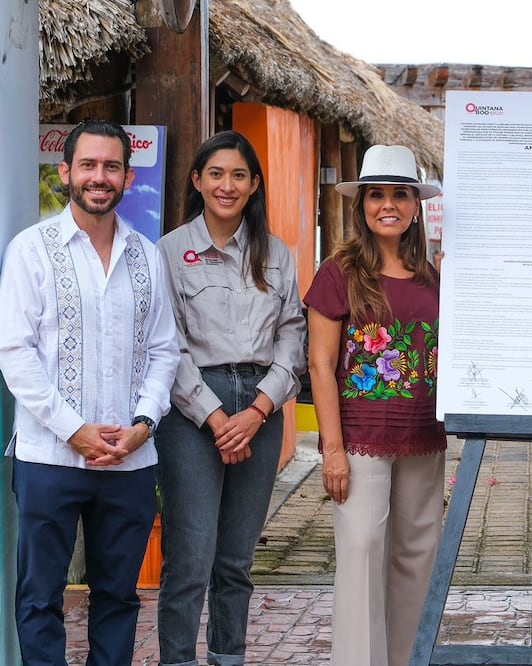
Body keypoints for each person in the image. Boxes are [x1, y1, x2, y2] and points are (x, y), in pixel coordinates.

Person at [0, 120, 179, 666]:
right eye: (88, 165)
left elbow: (164, 351)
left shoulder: (147, 256)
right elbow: (15, 353)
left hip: (129, 460)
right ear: (66, 173)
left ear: (127, 176)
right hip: (49, 456)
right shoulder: (31, 250)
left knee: (118, 598)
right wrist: (73, 430)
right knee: (39, 598)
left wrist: (144, 424)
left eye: (111, 167)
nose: (99, 177)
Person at [153, 130, 307, 666]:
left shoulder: (277, 253)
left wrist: (260, 408)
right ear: (197, 180)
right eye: (215, 173)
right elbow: (164, 343)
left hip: (260, 408)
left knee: (236, 559)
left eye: (239, 174)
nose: (227, 184)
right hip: (193, 410)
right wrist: (217, 417)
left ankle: (228, 657)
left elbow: (293, 334)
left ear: (254, 184)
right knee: (190, 558)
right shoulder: (170, 251)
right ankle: (177, 659)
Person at [304, 144, 445, 666]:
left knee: (415, 560)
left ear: (415, 205)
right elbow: (320, 365)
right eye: (377, 195)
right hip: (359, 442)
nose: (389, 204)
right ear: (362, 204)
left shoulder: (435, 278)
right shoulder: (338, 272)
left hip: (423, 438)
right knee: (362, 555)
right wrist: (333, 451)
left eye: (400, 195)